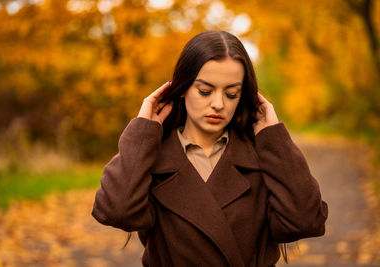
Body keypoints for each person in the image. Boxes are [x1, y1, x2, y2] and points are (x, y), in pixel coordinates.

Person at [91, 30, 328, 266]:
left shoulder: (261, 158)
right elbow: (116, 211)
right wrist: (143, 130)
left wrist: (274, 137)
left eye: (231, 94)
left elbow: (305, 221)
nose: (218, 104)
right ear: (182, 88)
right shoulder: (152, 161)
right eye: (205, 91)